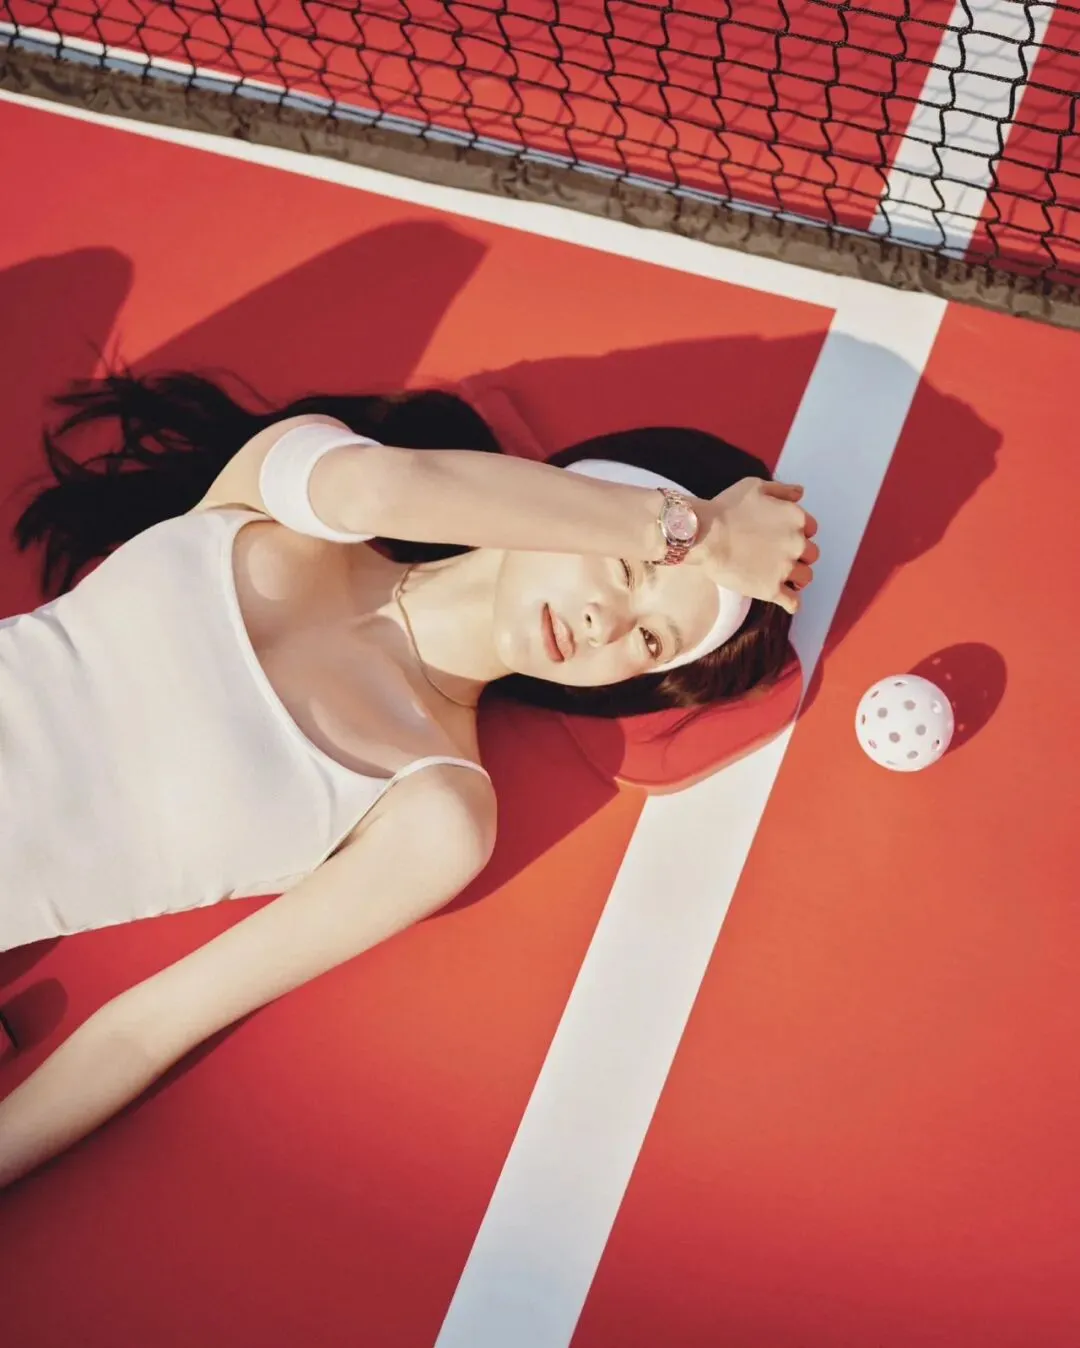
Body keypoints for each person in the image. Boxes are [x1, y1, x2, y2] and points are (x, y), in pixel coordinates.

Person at [0, 371, 818, 1188]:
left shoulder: (437, 811)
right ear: (581, 495)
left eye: (651, 643)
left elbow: (150, 1026)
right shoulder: (294, 490)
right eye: (633, 569)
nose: (607, 624)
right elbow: (394, 487)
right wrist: (696, 533)